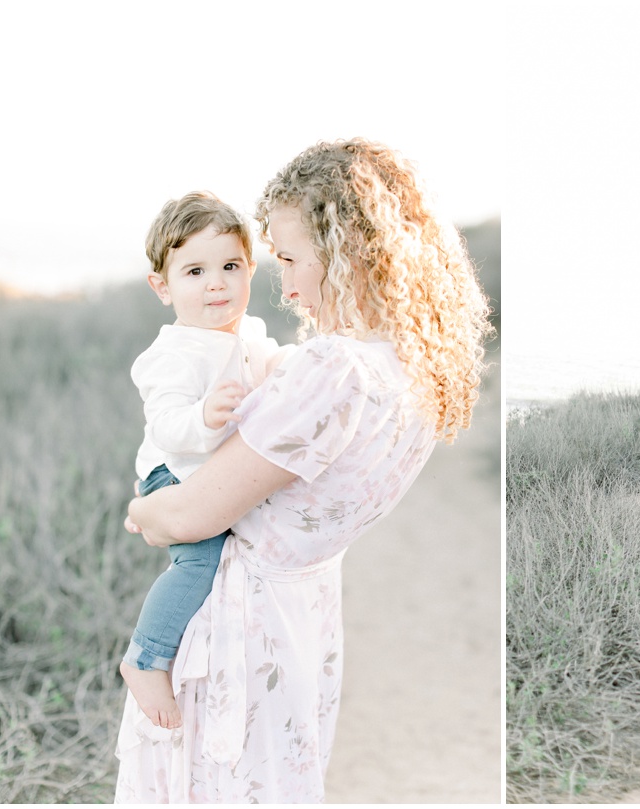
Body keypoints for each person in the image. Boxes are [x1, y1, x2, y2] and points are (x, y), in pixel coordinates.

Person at [114, 139, 492, 803]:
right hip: (304, 619)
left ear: (350, 250)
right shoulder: (416, 368)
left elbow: (186, 515)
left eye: (290, 258)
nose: (283, 285)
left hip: (243, 627)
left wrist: (143, 510)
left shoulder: (335, 368)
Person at [121, 192, 290, 731]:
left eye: (230, 266)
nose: (215, 283)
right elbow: (167, 426)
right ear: (163, 286)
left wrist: (287, 364)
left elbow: (270, 370)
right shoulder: (172, 354)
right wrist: (205, 415)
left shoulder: (251, 334)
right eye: (194, 270)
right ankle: (145, 657)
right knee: (199, 558)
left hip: (209, 470)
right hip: (172, 471)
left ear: (249, 269)